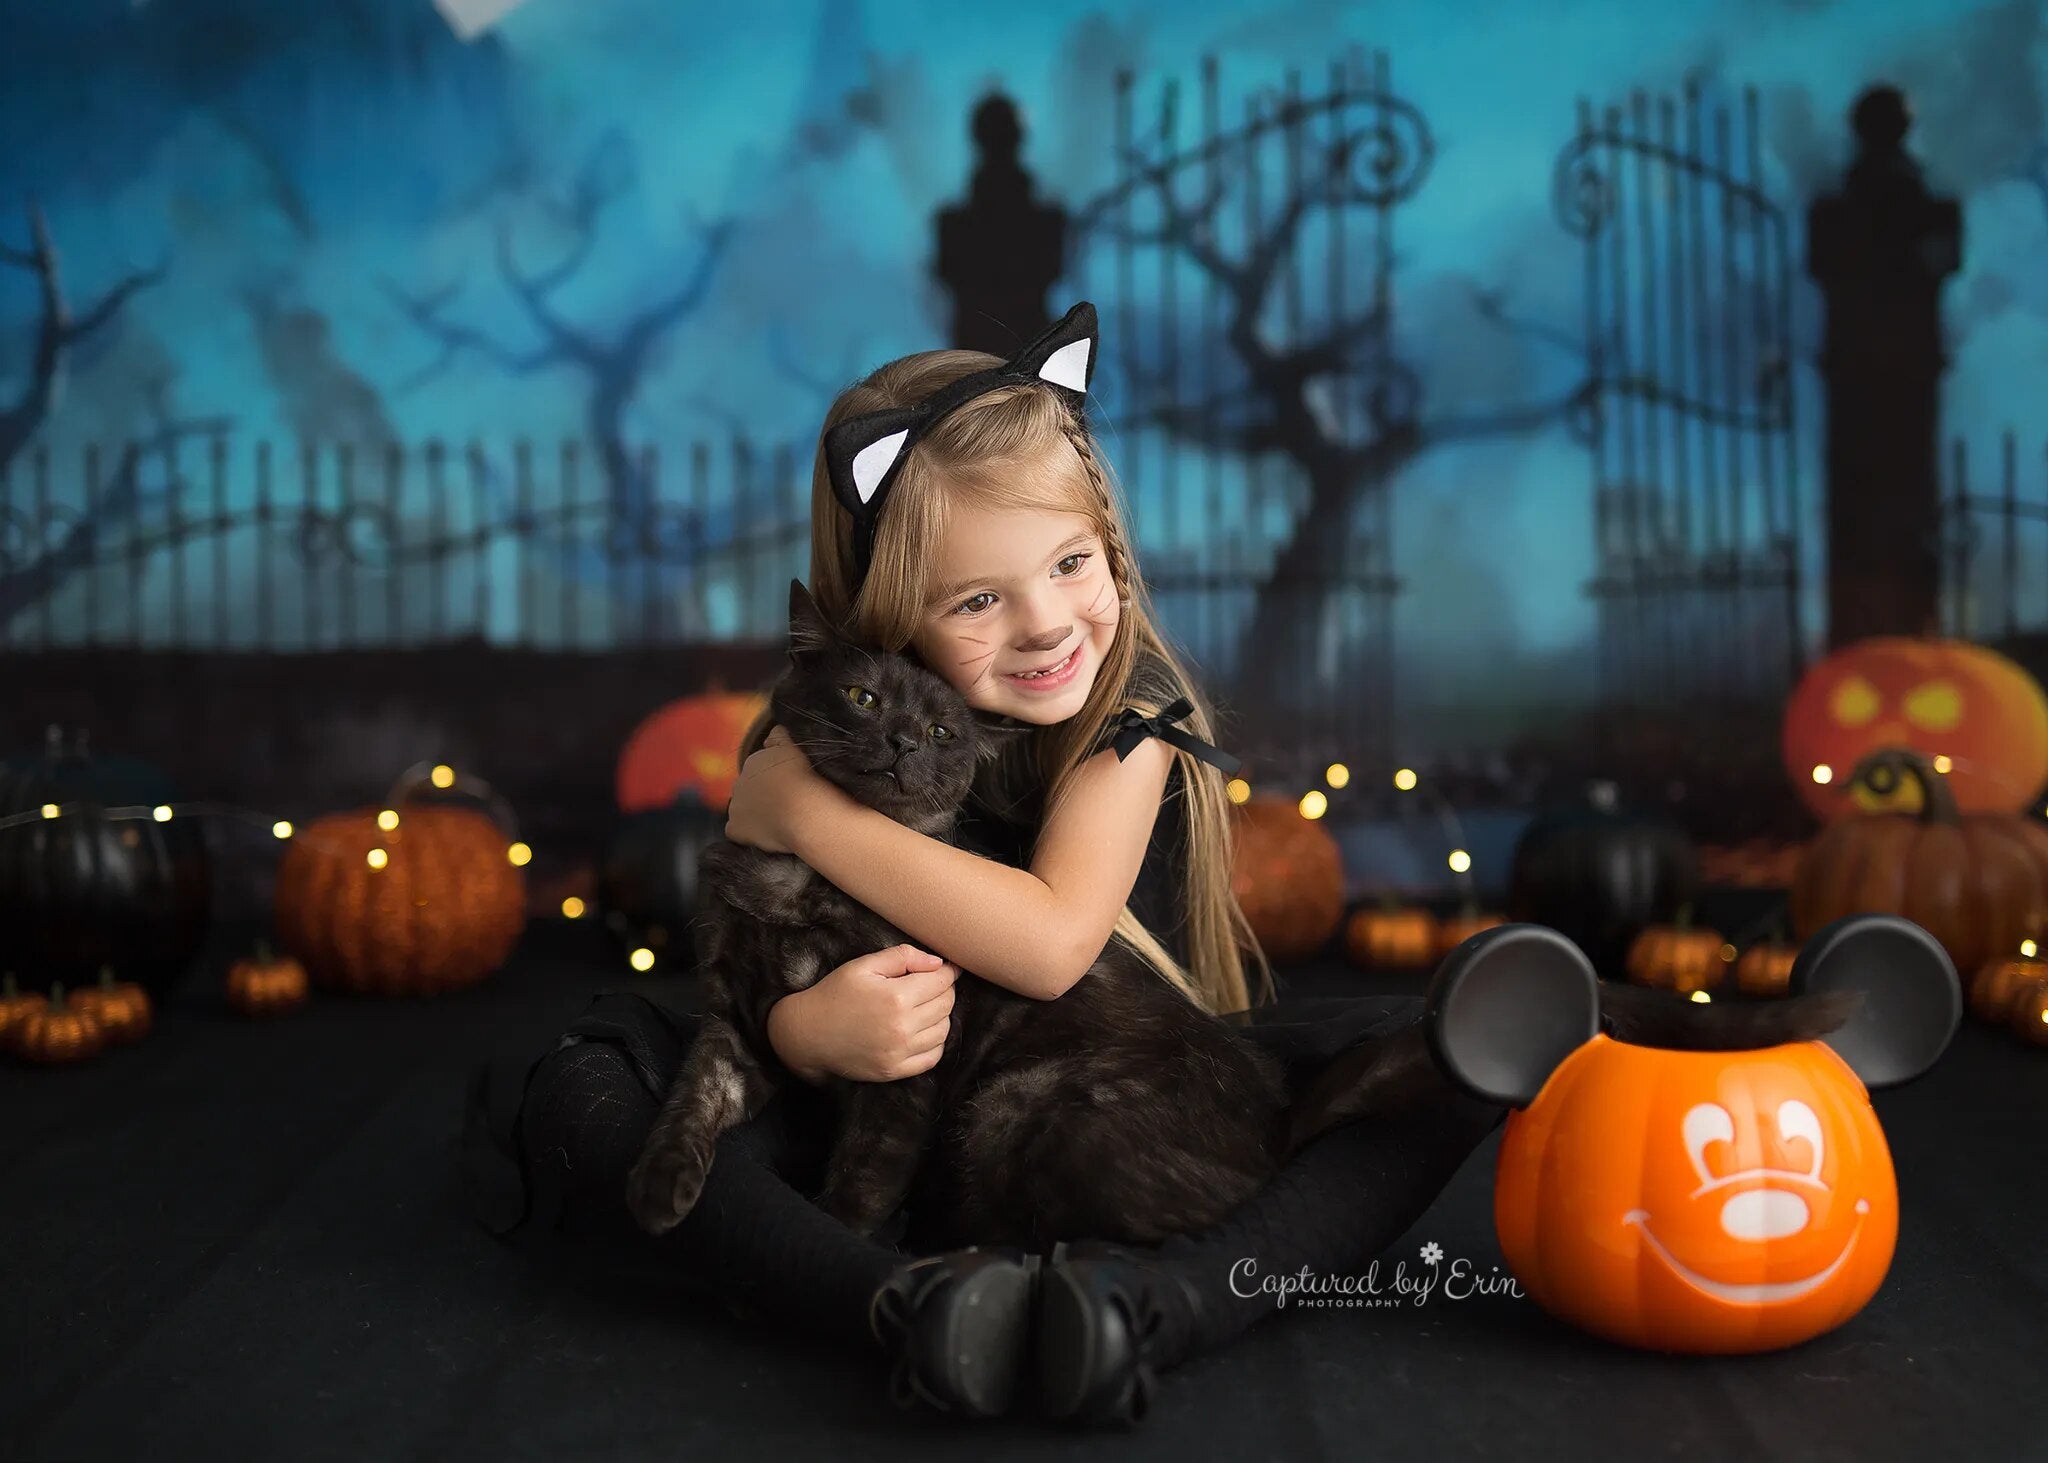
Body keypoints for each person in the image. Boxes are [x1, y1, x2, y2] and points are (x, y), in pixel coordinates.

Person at [460, 302, 1505, 1428]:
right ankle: (901, 1303)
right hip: (863, 1098)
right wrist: (798, 1035)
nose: (1047, 622)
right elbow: (752, 953)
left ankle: (1156, 1303)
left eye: (1069, 561)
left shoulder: (1128, 710)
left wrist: (804, 814)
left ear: (1109, 539)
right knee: (580, 1073)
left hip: (1118, 1075)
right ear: (886, 616)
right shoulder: (839, 712)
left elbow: (1054, 945)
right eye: (975, 600)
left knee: (1411, 1067)